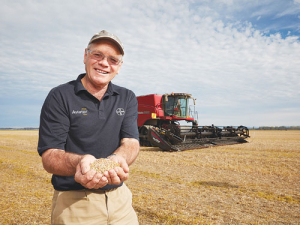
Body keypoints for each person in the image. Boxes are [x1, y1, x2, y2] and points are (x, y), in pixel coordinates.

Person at [37, 30, 140, 225]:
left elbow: (131, 141)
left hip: (120, 201)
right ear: (85, 56)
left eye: (113, 60)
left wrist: (117, 159)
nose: (104, 63)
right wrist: (81, 162)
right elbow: (50, 156)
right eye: (97, 55)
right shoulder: (60, 96)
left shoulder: (127, 97)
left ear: (119, 67)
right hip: (74, 204)